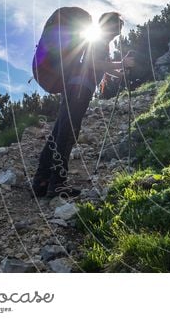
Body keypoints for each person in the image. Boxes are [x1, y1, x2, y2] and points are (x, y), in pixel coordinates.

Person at [31, 11, 135, 199]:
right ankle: (57, 184)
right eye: (118, 27)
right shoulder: (99, 40)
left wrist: (118, 72)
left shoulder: (97, 40)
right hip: (80, 89)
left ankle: (41, 181)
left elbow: (93, 65)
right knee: (67, 133)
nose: (119, 31)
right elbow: (93, 63)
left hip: (72, 87)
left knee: (59, 132)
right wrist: (121, 62)